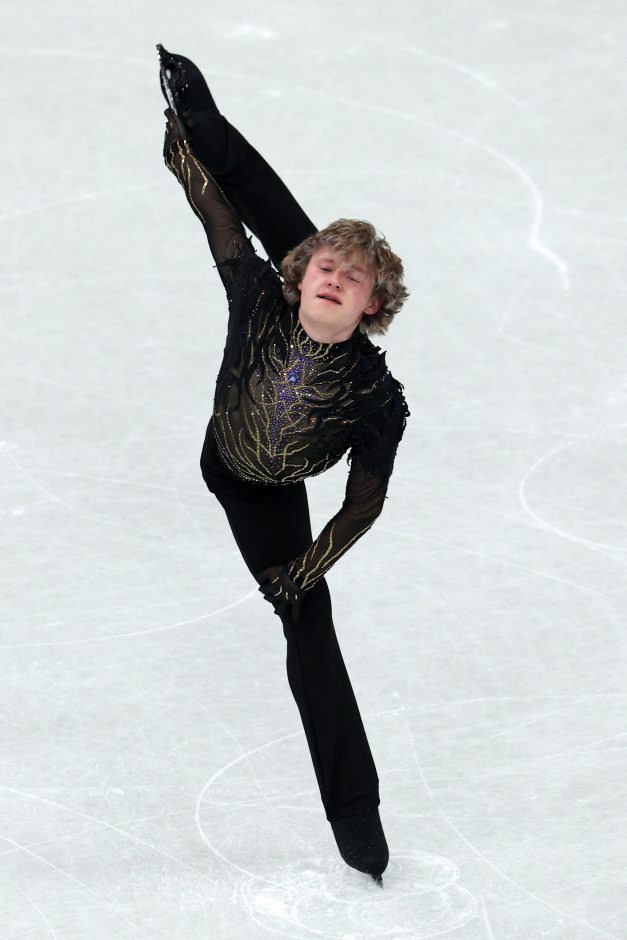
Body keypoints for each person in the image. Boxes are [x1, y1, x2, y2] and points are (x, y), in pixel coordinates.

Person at [157, 44, 410, 887]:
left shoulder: (374, 395)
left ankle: (355, 812)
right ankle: (206, 114)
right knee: (279, 220)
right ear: (303, 280)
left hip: (269, 495)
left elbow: (363, 502)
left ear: (373, 304)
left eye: (352, 277)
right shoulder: (261, 294)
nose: (334, 278)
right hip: (225, 463)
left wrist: (302, 571)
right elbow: (224, 220)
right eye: (325, 269)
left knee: (310, 625)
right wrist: (188, 148)